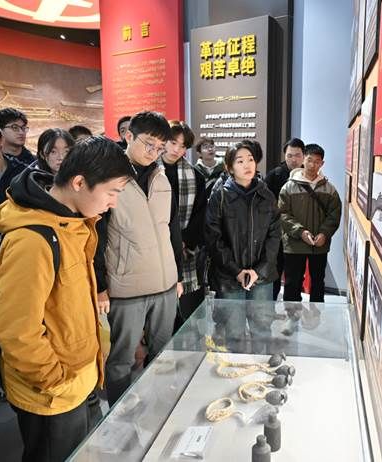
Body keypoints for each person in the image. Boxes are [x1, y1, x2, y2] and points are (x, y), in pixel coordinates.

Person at [0, 136, 134, 462]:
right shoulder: (32, 240)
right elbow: (16, 331)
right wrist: (55, 381)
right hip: (52, 394)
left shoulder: (73, 223)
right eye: (112, 192)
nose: (114, 203)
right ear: (79, 182)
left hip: (78, 380)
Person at [94, 111, 184, 407]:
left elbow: (172, 230)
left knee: (164, 354)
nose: (154, 152)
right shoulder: (109, 178)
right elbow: (97, 237)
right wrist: (100, 285)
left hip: (165, 285)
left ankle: (161, 407)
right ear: (128, 136)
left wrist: (178, 275)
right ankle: (119, 418)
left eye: (160, 147)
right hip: (126, 287)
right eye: (149, 144)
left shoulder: (162, 177)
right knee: (121, 360)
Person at [205, 140, 280, 301]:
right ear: (230, 168)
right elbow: (213, 238)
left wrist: (258, 271)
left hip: (262, 277)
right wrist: (237, 271)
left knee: (262, 318)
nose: (247, 165)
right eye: (240, 161)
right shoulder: (220, 197)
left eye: (250, 159)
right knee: (232, 318)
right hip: (228, 277)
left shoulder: (267, 196)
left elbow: (274, 236)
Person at [279, 143, 342, 303]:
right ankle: (292, 315)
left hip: (319, 245)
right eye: (309, 160)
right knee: (292, 283)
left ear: (322, 163)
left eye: (317, 161)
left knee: (318, 283)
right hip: (294, 244)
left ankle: (316, 315)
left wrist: (324, 234)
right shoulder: (288, 187)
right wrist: (300, 232)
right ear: (303, 160)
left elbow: (334, 215)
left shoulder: (329, 189)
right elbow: (282, 214)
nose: (312, 165)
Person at [161, 121, 207, 328]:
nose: (176, 150)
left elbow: (200, 214)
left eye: (182, 146)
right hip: (156, 245)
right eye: (173, 142)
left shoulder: (195, 175)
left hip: (185, 249)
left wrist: (184, 241)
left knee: (188, 310)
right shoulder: (149, 172)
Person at [264, 138, 305, 299]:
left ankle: (293, 310)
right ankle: (270, 308)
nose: (294, 160)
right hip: (277, 235)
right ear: (284, 156)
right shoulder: (274, 175)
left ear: (303, 156)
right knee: (274, 273)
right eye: (290, 155)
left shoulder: (309, 176)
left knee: (295, 277)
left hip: (298, 235)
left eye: (297, 155)